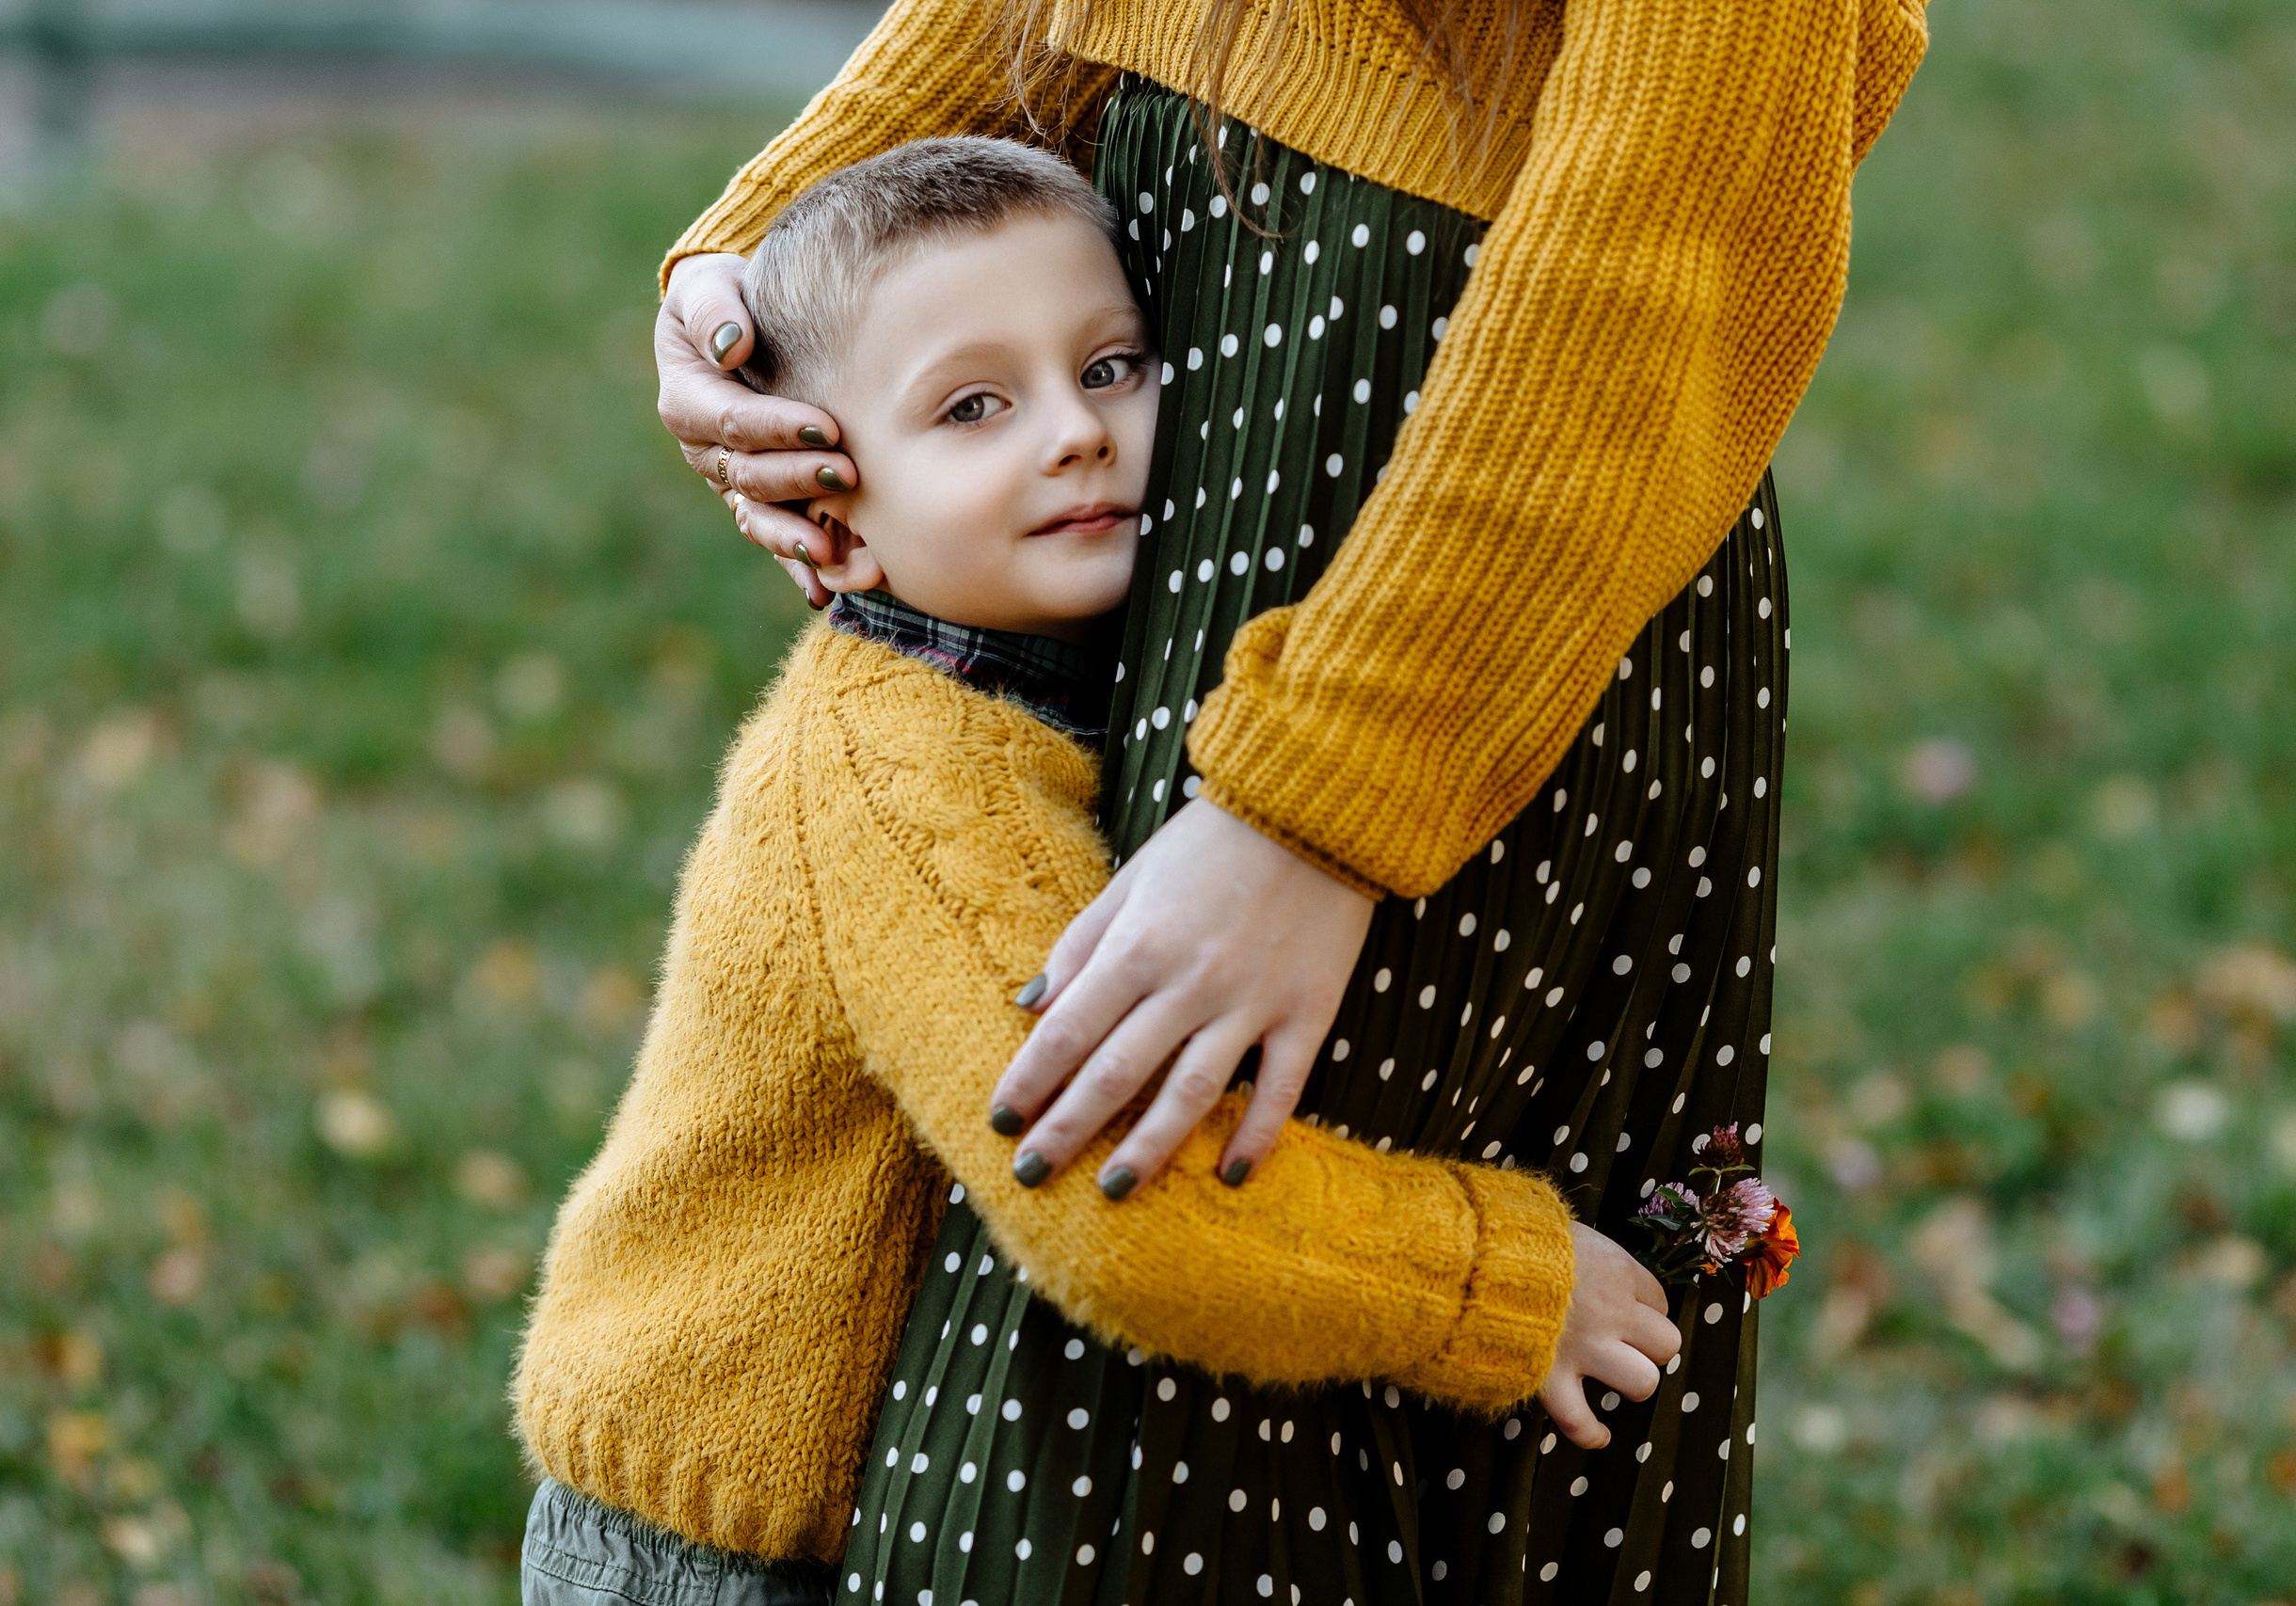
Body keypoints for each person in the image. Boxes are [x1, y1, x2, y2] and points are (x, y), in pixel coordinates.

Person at [655, 1, 1930, 1598]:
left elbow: (1665, 223)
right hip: (1230, 453)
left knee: (1240, 1338)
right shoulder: (920, 725)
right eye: (979, 407)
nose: (1061, 432)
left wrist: (1323, 802)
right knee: (1111, 1408)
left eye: (1086, 380)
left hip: (1469, 547)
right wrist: (766, 283)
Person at [511, 136, 1673, 1606]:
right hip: (709, 1553)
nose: (1075, 432)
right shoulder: (908, 771)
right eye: (974, 405)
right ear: (825, 503)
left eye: (1113, 366)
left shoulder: (1026, 677)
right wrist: (1504, 1284)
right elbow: (1120, 1198)